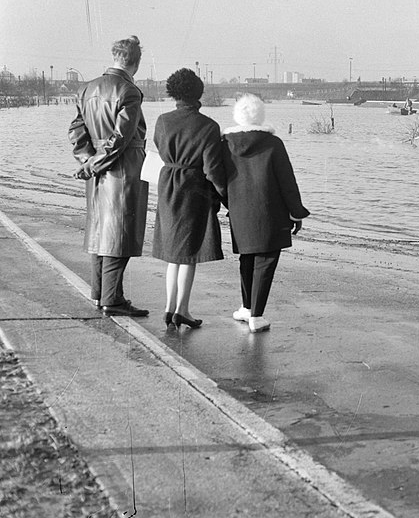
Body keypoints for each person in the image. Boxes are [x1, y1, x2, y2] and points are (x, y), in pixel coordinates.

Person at [68, 35, 150, 317]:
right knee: (120, 235)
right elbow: (120, 139)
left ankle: (99, 294)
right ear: (135, 63)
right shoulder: (129, 91)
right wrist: (94, 163)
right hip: (121, 172)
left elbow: (77, 131)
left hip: (97, 174)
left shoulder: (87, 89)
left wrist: (87, 160)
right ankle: (112, 299)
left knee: (101, 231)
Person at [221, 94, 309, 333]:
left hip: (239, 211)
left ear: (237, 116)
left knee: (246, 258)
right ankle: (256, 316)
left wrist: (229, 202)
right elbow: (286, 181)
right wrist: (296, 212)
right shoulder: (273, 144)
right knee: (266, 260)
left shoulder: (225, 143)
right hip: (271, 212)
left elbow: (218, 179)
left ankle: (247, 308)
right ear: (261, 115)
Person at [151, 69, 227, 330]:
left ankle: (169, 306)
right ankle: (182, 309)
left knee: (173, 252)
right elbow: (212, 170)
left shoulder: (162, 121)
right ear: (199, 93)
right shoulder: (208, 126)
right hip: (193, 190)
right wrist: (226, 197)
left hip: (167, 186)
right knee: (189, 253)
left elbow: (160, 149)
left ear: (173, 92)